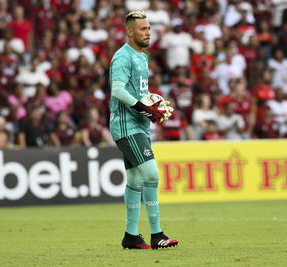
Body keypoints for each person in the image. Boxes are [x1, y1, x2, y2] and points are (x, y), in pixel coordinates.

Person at [109, 10, 178, 250]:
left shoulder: (142, 57)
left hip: (139, 124)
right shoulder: (122, 57)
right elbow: (117, 90)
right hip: (127, 126)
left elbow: (138, 91)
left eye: (149, 28)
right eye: (143, 29)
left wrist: (152, 101)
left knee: (136, 179)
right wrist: (141, 107)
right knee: (152, 175)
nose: (148, 32)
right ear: (130, 31)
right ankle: (157, 234)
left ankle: (131, 236)